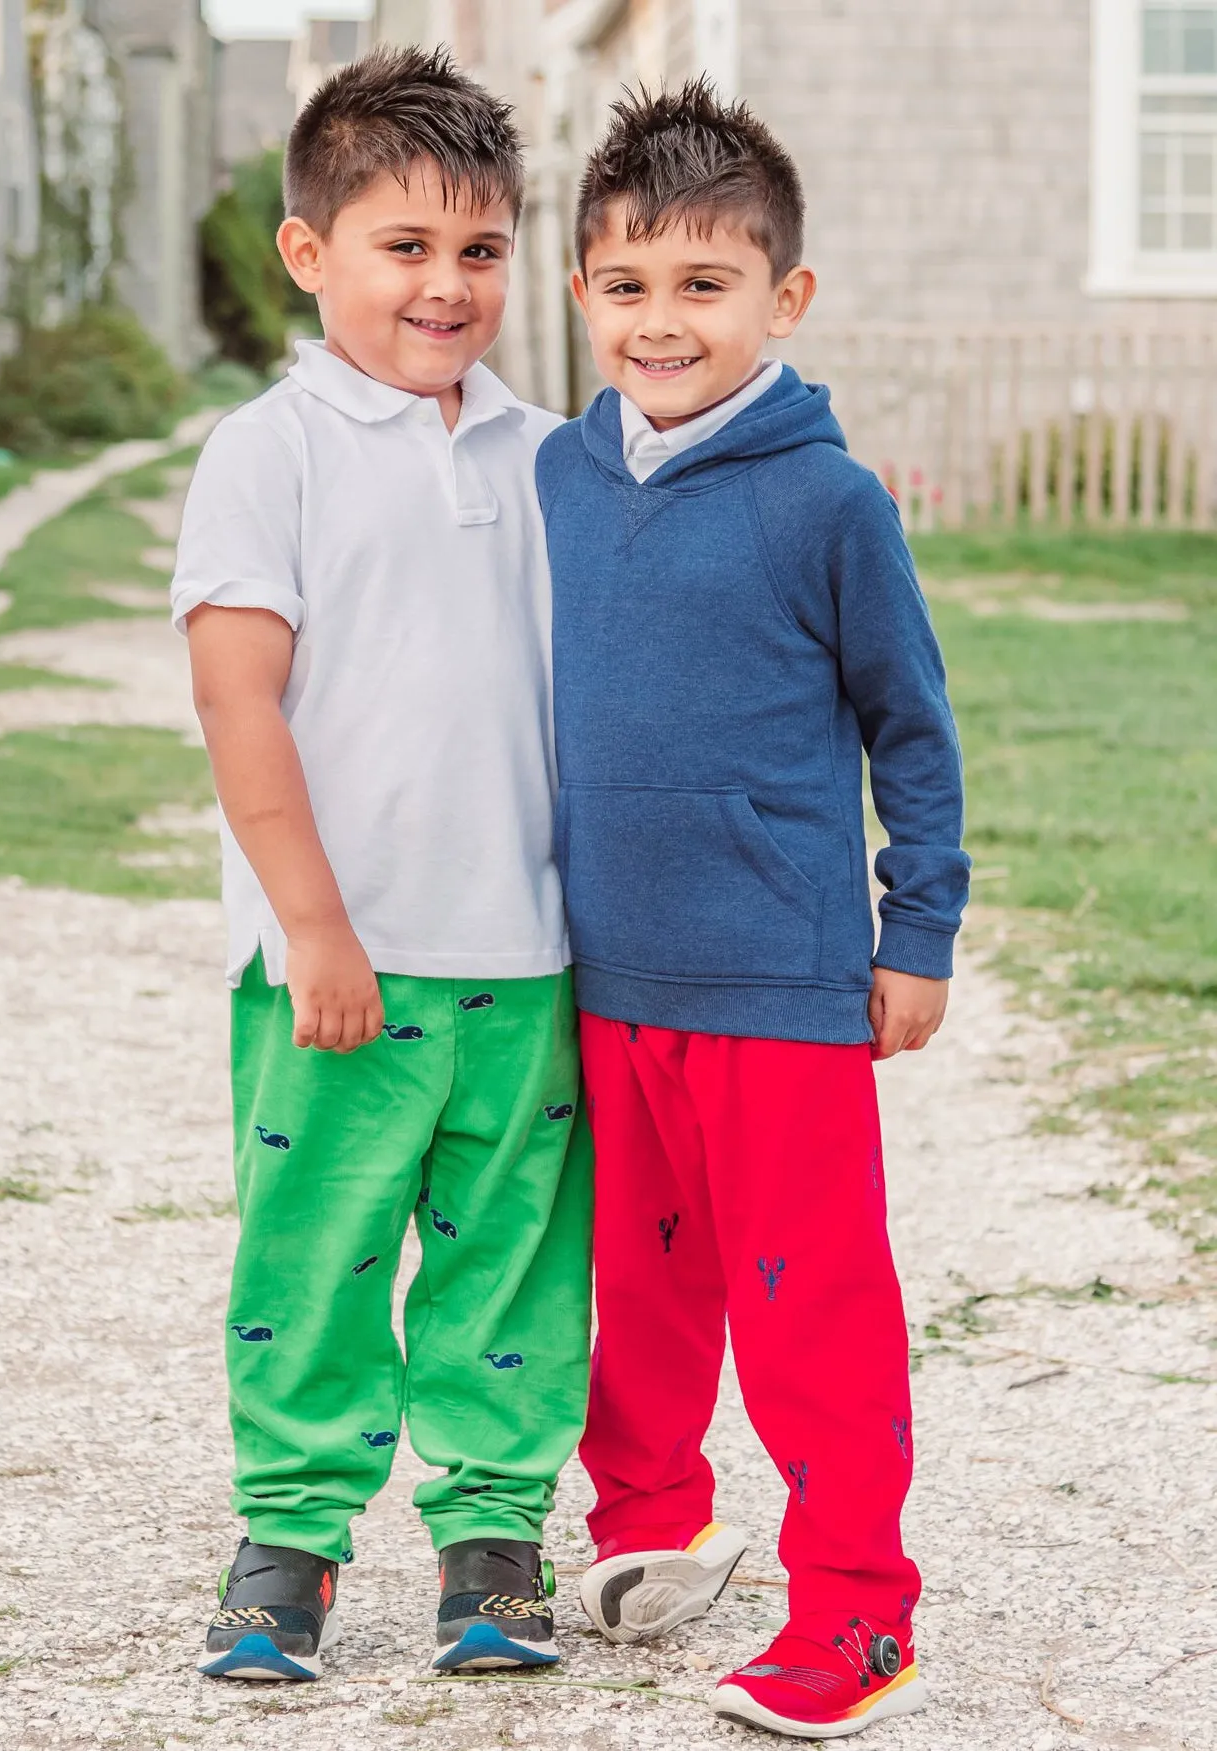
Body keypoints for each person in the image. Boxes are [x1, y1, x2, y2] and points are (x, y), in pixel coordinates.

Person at [537, 82, 970, 1739]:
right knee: (640, 1287)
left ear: (782, 300)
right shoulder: (563, 480)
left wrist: (913, 927)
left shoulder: (828, 501)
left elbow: (910, 728)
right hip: (610, 968)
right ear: (583, 293)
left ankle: (860, 1612)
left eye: (704, 285)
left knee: (807, 1307)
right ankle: (653, 1523)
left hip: (780, 981)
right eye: (628, 285)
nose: (663, 322)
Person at [169, 46, 592, 1684]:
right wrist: (316, 927)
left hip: (529, 957)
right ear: (309, 251)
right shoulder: (269, 452)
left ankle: (492, 1545)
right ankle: (287, 1540)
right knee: (316, 1250)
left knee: (510, 1265)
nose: (444, 284)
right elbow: (236, 697)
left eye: (477, 250)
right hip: (336, 962)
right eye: (402, 246)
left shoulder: (549, 455)